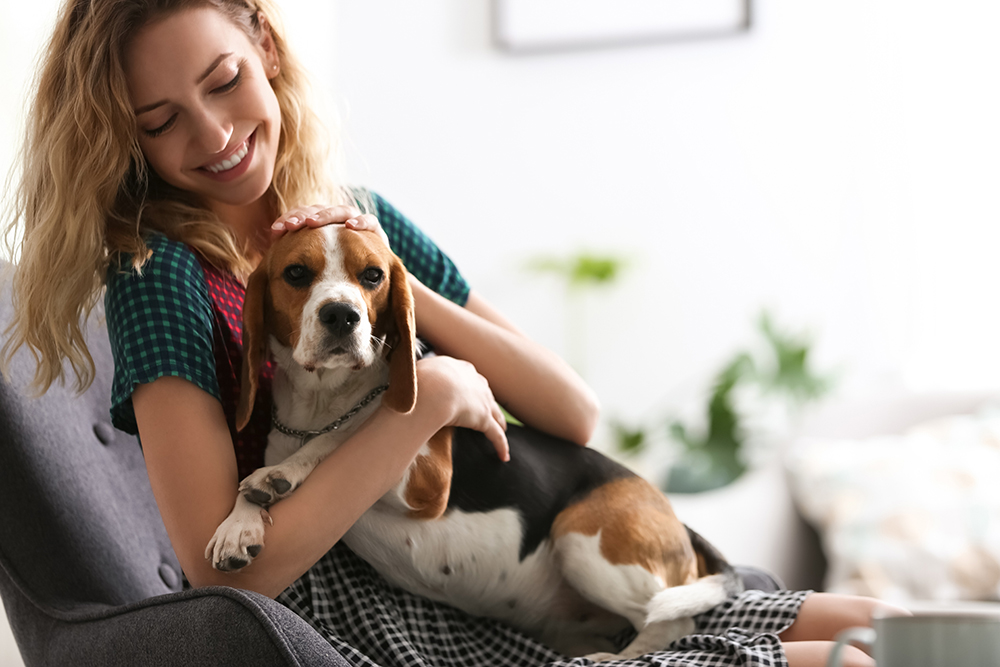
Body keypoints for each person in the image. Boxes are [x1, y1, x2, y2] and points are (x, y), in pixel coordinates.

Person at [2, 0, 896, 665]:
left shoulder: (366, 220)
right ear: (128, 138)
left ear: (264, 46)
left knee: (880, 629)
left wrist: (399, 288)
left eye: (225, 81)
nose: (215, 132)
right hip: (356, 610)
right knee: (837, 660)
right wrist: (425, 398)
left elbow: (572, 413)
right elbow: (224, 577)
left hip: (498, 556)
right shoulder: (160, 282)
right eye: (161, 121)